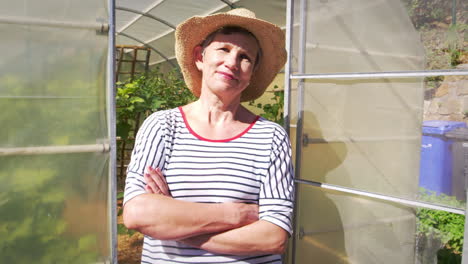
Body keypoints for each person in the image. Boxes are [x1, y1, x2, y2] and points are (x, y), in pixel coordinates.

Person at [123, 8, 295, 264]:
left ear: (252, 73)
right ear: (199, 57)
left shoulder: (271, 137)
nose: (232, 62)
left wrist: (177, 227)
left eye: (245, 56)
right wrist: (235, 214)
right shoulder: (162, 127)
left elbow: (273, 237)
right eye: (223, 49)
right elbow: (137, 213)